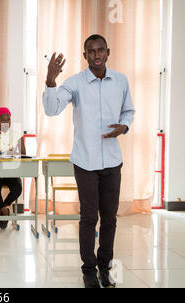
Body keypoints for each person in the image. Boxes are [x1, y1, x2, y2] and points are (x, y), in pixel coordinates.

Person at [42, 34, 135, 288]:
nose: (96, 55)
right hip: (85, 162)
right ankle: (88, 270)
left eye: (100, 50)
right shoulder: (75, 83)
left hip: (112, 162)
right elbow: (51, 110)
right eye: (91, 51)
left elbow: (129, 111)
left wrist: (123, 127)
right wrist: (51, 80)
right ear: (85, 55)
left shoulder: (121, 81)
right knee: (88, 218)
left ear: (108, 52)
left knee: (110, 218)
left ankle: (105, 267)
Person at [0, 107, 26, 230]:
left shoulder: (15, 133)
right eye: (2, 120)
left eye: (8, 119)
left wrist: (19, 145)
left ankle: (1, 208)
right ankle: (5, 211)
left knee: (18, 188)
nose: (6, 122)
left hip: (11, 171)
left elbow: (24, 154)